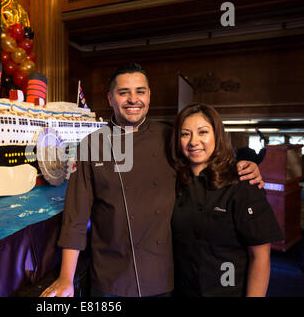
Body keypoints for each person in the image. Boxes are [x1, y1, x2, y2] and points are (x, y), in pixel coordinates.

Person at [40, 63, 263, 297]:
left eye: (140, 91)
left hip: (163, 275)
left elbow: (205, 160)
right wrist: (65, 277)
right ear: (110, 98)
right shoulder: (91, 144)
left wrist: (242, 165)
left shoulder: (168, 136)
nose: (133, 99)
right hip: (109, 276)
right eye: (123, 92)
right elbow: (76, 216)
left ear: (149, 96)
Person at [170, 104, 283, 297]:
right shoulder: (173, 183)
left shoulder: (243, 183)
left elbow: (260, 257)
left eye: (203, 132)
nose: (193, 141)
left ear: (217, 136)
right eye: (185, 134)